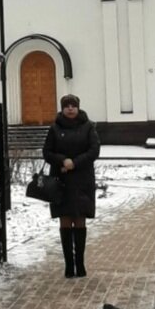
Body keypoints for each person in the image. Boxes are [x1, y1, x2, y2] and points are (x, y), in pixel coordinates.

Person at [43, 94, 100, 278]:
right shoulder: (55, 128)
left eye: (73, 105)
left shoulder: (88, 126)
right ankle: (69, 265)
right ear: (62, 108)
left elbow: (94, 150)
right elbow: (47, 152)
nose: (70, 108)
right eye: (66, 105)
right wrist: (62, 160)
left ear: (78, 107)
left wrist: (75, 163)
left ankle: (80, 264)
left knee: (80, 219)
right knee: (65, 220)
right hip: (61, 182)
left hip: (82, 180)